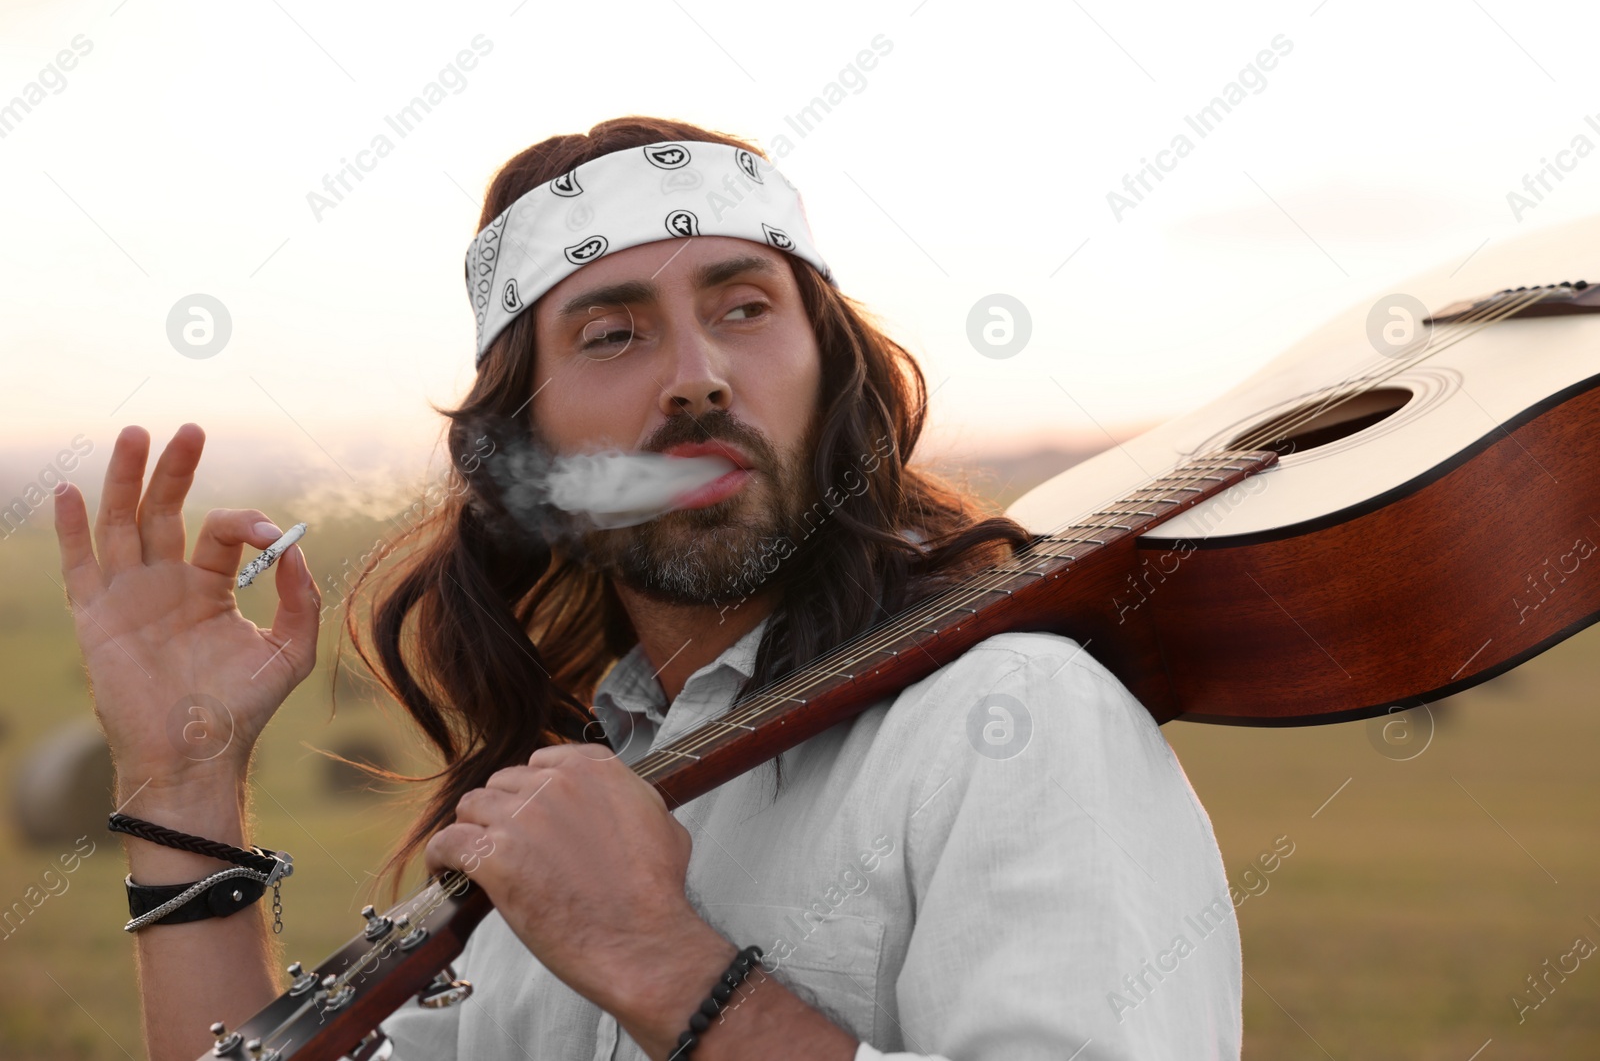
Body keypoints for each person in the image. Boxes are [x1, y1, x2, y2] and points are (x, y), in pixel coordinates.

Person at [53, 116, 1241, 1061]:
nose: (698, 377)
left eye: (743, 307)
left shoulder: (1013, 718)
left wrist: (656, 957)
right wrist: (185, 778)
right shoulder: (558, 814)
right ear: (528, 444)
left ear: (831, 374)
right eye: (612, 335)